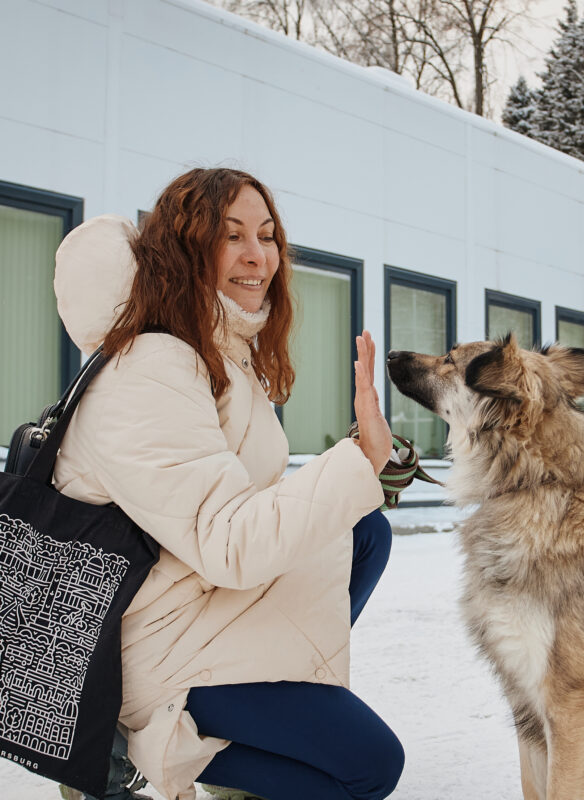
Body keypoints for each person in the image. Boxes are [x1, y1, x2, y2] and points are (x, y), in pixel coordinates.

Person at [52, 167, 404, 800]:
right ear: (186, 248)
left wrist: (358, 468)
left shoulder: (213, 349)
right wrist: (358, 462)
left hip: (197, 599)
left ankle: (277, 702)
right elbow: (226, 540)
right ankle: (139, 744)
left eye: (267, 236)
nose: (257, 255)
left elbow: (232, 505)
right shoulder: (151, 370)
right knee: (368, 765)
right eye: (231, 235)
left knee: (365, 532)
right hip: (144, 652)